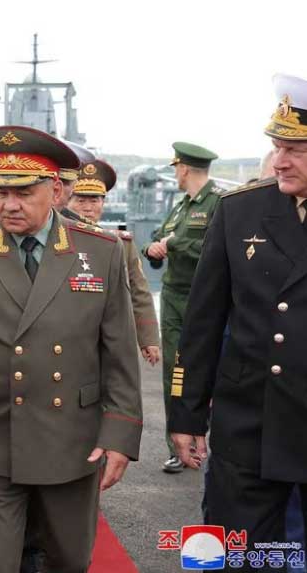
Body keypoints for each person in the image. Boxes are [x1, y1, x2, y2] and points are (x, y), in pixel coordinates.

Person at [0, 125, 142, 573]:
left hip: (72, 438)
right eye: (0, 191)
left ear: (55, 191)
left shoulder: (101, 252)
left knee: (70, 559)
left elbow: (120, 352)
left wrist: (120, 433)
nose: (8, 204)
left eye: (23, 192)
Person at [169, 73, 307, 565]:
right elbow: (203, 323)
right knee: (239, 557)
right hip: (249, 424)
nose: (282, 160)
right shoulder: (241, 213)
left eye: (298, 148)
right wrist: (185, 413)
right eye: (277, 146)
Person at [143, 141, 221, 473]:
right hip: (173, 300)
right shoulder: (179, 208)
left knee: (212, 373)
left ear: (185, 168)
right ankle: (177, 446)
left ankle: (213, 444)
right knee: (174, 374)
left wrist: (176, 244)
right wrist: (152, 251)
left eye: (176, 168)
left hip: (204, 300)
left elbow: (216, 248)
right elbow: (157, 240)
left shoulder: (219, 204)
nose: (175, 174)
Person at [68, 159, 160, 364]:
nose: (88, 208)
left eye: (94, 201)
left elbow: (138, 290)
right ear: (67, 201)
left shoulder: (121, 244)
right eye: (81, 201)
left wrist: (149, 338)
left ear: (103, 203)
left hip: (107, 338)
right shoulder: (52, 241)